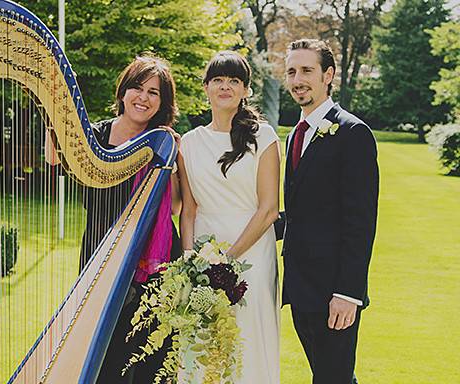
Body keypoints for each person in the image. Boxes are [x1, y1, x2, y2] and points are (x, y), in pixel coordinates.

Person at [50, 55, 183, 383]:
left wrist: (172, 162)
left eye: (154, 93)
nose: (143, 97)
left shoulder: (165, 143)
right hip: (99, 255)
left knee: (149, 360)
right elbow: (53, 158)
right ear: (123, 93)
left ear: (162, 103)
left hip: (156, 262)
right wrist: (54, 104)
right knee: (102, 355)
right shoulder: (92, 135)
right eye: (137, 88)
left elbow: (177, 207)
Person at [178, 51, 281, 383]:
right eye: (218, 80)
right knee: (201, 341)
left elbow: (268, 210)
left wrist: (228, 259)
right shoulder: (189, 143)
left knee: (248, 339)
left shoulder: (264, 138)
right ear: (206, 88)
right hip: (203, 249)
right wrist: (190, 260)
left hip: (251, 250)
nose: (225, 87)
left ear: (246, 90)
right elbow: (189, 210)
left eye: (234, 81)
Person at [281, 39, 379, 384]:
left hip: (334, 292)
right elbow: (300, 211)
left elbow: (361, 222)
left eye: (307, 70)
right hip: (300, 286)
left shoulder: (353, 133)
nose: (297, 79)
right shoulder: (296, 133)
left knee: (334, 378)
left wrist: (348, 293)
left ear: (328, 75)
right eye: (292, 71)